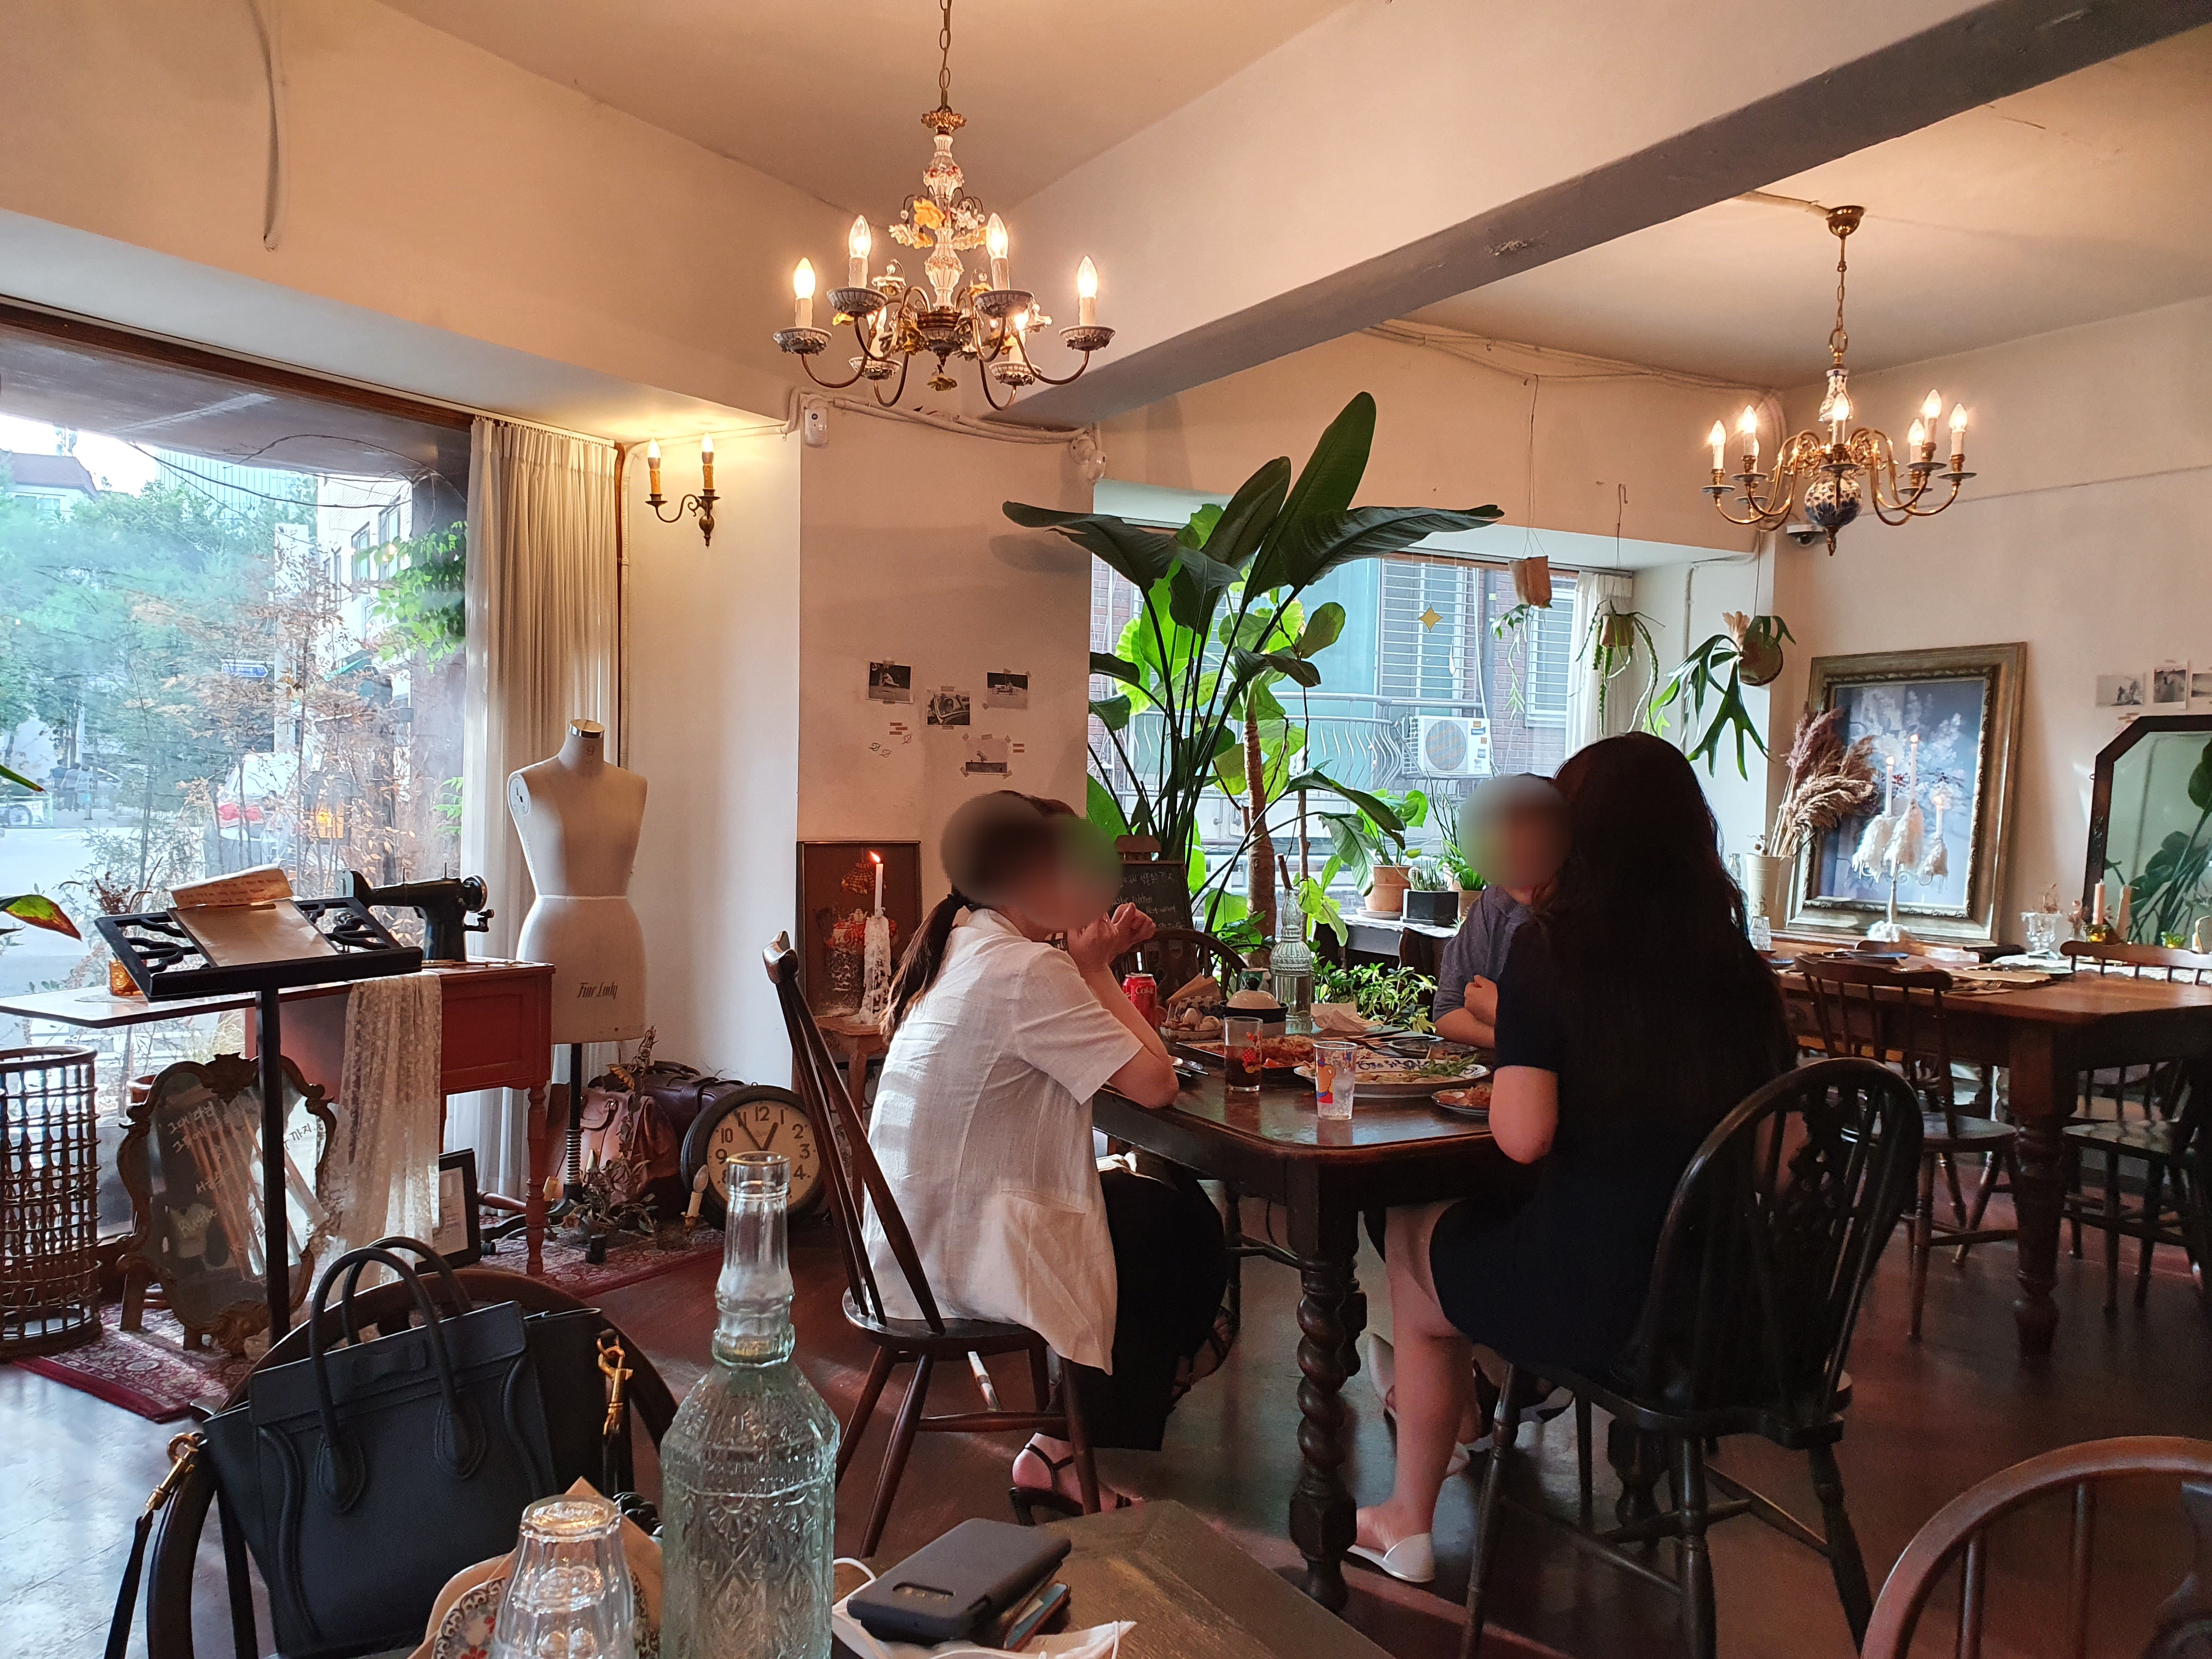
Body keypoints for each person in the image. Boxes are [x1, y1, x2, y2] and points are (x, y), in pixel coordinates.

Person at [1351, 734, 1796, 1584]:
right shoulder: (1741, 970)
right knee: (1485, 1239)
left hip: (1600, 1307)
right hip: (1734, 1316)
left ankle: (1409, 1515)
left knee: (1413, 1234)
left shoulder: (1551, 951)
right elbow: (1782, 1159)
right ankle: (1483, 1407)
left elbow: (1522, 1138)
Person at [863, 792, 1228, 1515]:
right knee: (1166, 1223)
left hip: (907, 1236)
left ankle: (1081, 1428)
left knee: (1156, 1209)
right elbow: (1157, 1084)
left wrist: (1087, 967)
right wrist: (1095, 970)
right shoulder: (1029, 971)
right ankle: (1082, 1435)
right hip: (952, 1251)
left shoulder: (966, 943)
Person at [1431, 775, 1568, 1047]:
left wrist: (1502, 1012)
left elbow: (1585, 1042)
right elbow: (1447, 1013)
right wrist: (1515, 1035)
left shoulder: (1591, 917)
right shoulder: (1494, 906)